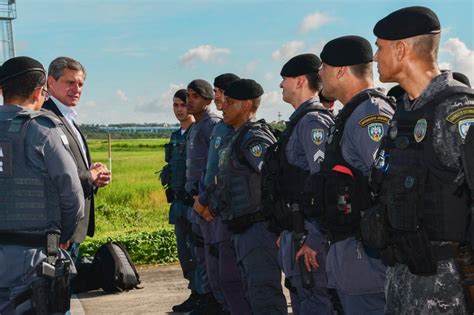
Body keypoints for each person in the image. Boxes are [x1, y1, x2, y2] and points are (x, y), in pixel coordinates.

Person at [372, 6, 474, 313]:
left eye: (379, 48)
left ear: (401, 49)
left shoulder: (455, 110)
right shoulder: (403, 112)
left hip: (446, 287)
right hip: (401, 277)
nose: (375, 57)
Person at [317, 35, 395, 314]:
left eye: (323, 67)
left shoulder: (370, 115)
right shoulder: (351, 114)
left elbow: (389, 186)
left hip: (369, 263)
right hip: (351, 256)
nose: (319, 74)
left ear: (340, 70)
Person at [0, 56, 84, 313]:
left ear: (2, 90)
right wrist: (63, 236)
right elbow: (72, 197)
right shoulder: (43, 130)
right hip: (34, 258)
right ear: (39, 92)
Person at [265, 53, 334, 314]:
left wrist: (314, 240)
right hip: (296, 233)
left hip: (309, 238)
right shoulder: (299, 122)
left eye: (285, 79)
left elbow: (323, 184)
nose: (281, 85)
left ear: (301, 81)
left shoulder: (313, 122)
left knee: (316, 304)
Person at [215, 79, 288, 314]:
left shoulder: (253, 138)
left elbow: (274, 178)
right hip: (242, 230)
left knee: (264, 297)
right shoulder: (235, 137)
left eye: (230, 101)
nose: (223, 106)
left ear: (246, 105)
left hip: (258, 231)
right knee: (250, 294)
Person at [42, 57, 111, 261]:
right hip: (62, 230)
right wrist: (90, 175)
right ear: (50, 82)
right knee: (58, 290)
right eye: (70, 82)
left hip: (73, 228)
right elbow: (52, 180)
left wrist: (94, 178)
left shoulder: (68, 118)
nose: (77, 89)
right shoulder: (47, 119)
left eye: (80, 84)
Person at [197, 73, 251, 315]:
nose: (217, 96)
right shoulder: (220, 127)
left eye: (220, 91)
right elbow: (209, 170)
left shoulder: (239, 130)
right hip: (210, 208)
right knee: (218, 274)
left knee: (233, 278)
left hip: (227, 211)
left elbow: (229, 174)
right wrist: (201, 201)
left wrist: (211, 203)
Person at [184, 79, 222, 314]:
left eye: (194, 96)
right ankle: (204, 295)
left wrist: (207, 201)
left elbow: (216, 167)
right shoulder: (196, 125)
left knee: (212, 254)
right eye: (188, 96)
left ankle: (214, 300)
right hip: (195, 201)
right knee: (200, 252)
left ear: (208, 99)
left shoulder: (212, 125)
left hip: (207, 203)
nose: (189, 101)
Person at [160, 89, 198, 312]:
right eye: (175, 105)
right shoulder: (176, 136)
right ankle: (195, 292)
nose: (179, 110)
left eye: (183, 105)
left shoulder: (199, 132)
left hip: (194, 204)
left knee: (199, 251)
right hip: (178, 204)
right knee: (184, 253)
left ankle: (203, 294)